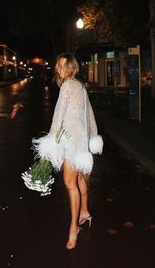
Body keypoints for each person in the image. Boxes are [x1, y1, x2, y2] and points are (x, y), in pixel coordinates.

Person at [32, 53, 103, 249]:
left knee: (70, 184)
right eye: (58, 65)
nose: (59, 69)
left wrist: (49, 146)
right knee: (79, 179)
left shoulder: (67, 86)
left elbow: (58, 117)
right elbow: (90, 116)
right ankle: (85, 211)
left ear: (71, 67)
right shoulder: (81, 86)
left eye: (63, 66)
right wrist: (92, 138)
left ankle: (74, 229)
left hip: (71, 144)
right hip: (81, 144)